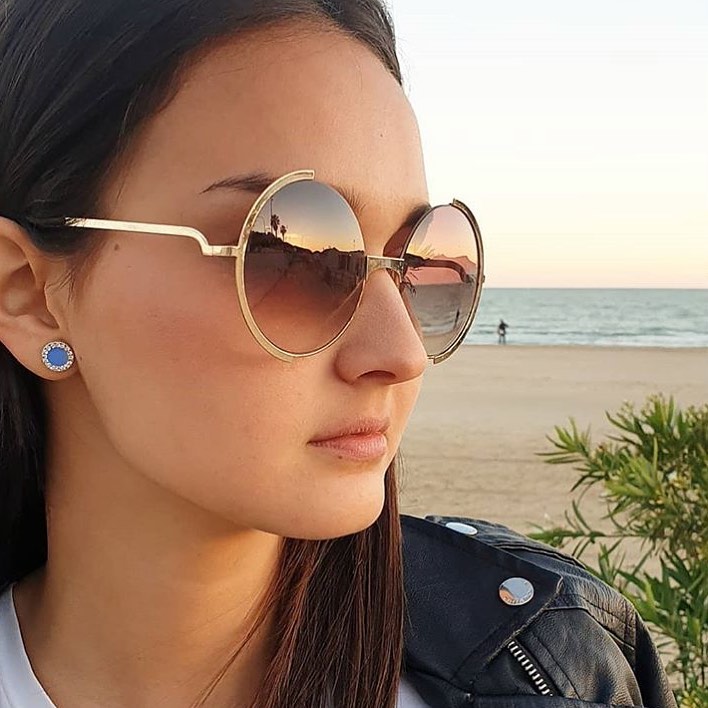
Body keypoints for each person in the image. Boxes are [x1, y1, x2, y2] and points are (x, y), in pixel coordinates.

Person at [0, 2, 676, 707]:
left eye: (418, 259)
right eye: (287, 252)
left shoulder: (557, 666)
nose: (403, 353)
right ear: (30, 295)